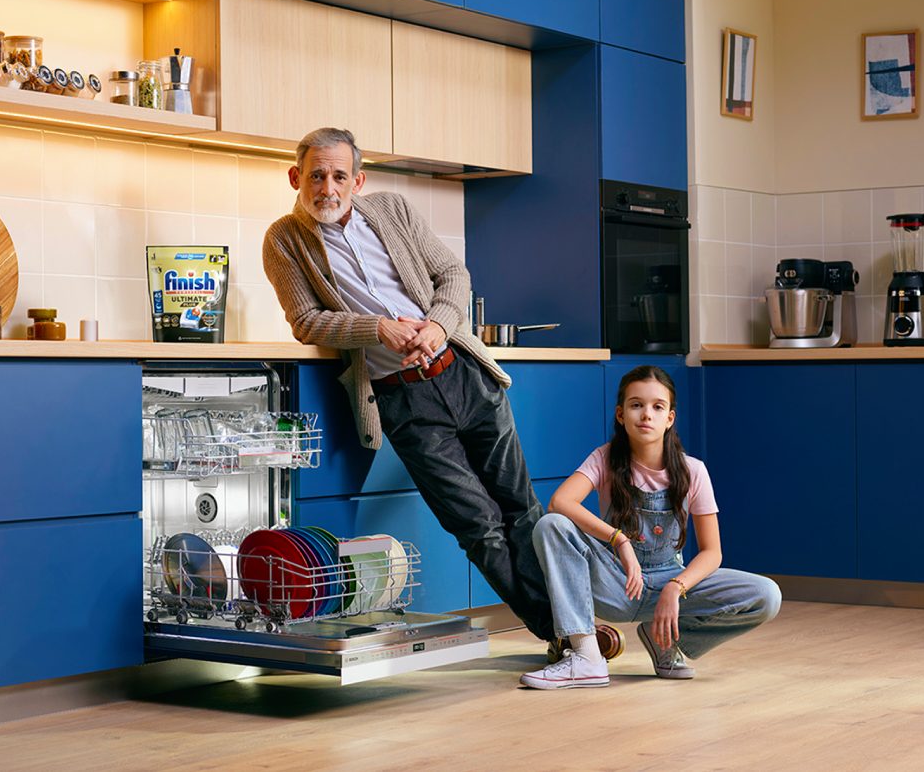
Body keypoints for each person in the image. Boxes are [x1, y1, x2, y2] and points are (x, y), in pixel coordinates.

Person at [262, 127, 556, 642]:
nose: (326, 187)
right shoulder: (284, 239)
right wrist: (379, 327)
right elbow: (306, 320)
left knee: (522, 509)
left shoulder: (393, 209)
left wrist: (438, 326)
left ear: (359, 179)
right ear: (296, 177)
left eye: (338, 175)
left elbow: (453, 275)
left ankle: (572, 628)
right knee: (477, 526)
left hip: (465, 374)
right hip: (404, 399)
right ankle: (563, 633)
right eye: (315, 175)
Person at [520, 365, 782, 690]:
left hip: (669, 582)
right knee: (551, 526)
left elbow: (712, 553)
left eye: (657, 407)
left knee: (766, 595)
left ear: (670, 418)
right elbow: (560, 502)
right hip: (616, 582)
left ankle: (664, 637)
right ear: (620, 414)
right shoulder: (603, 459)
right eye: (636, 405)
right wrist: (619, 540)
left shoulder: (693, 471)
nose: (646, 415)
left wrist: (675, 587)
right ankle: (587, 657)